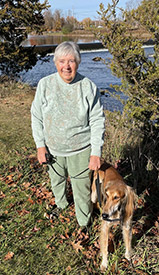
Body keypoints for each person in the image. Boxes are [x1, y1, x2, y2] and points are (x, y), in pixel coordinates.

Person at [31, 41, 105, 228]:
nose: (66, 66)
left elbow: (97, 121)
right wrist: (40, 146)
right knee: (57, 182)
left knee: (81, 190)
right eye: (62, 61)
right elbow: (36, 116)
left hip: (81, 150)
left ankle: (84, 223)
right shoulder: (44, 85)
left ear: (78, 63)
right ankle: (62, 206)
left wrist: (95, 152)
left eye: (71, 61)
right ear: (55, 63)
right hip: (52, 149)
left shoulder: (88, 87)